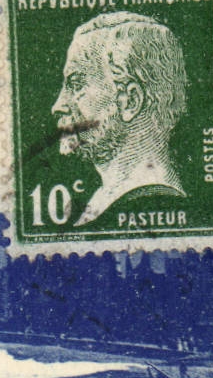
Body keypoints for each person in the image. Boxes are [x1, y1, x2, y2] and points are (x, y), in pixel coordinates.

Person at [51, 12, 191, 227]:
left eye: (76, 84)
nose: (58, 106)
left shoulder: (151, 201)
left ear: (130, 101)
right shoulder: (105, 200)